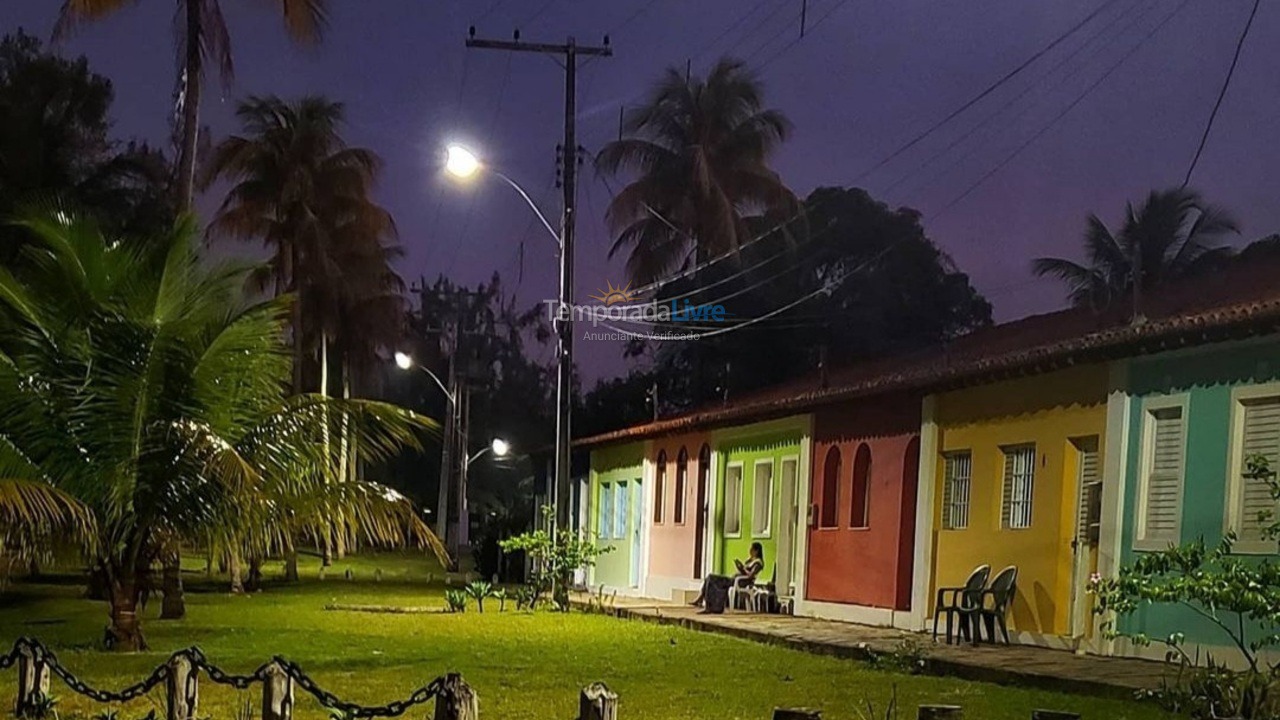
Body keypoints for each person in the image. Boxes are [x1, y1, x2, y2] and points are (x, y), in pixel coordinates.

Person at [691, 542, 764, 614]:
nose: (750, 550)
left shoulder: (758, 563)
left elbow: (750, 576)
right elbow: (744, 571)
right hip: (735, 579)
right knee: (708, 578)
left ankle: (709, 606)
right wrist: (739, 567)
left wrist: (743, 568)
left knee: (711, 577)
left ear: (756, 551)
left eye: (752, 549)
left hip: (741, 582)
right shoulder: (750, 560)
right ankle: (702, 599)